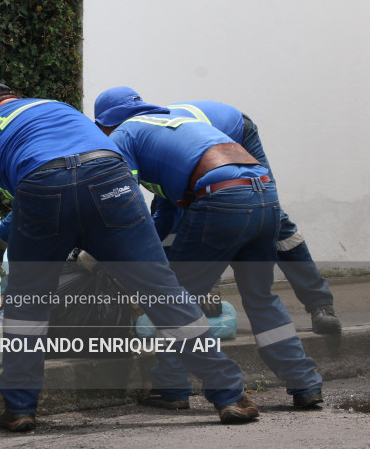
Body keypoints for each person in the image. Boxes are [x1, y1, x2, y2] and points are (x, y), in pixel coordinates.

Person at [0, 82, 264, 431]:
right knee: (163, 291)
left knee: (27, 304)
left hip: (42, 189)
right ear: (18, 98)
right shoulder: (58, 106)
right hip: (112, 179)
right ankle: (230, 396)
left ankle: (19, 409)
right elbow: (83, 168)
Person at [93, 86, 323, 411]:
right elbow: (168, 212)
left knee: (177, 300)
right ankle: (305, 383)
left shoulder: (122, 135)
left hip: (221, 198)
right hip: (264, 195)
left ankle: (171, 388)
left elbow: (128, 204)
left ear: (104, 124)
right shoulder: (175, 120)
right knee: (261, 297)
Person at [151, 100, 340, 334]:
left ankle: (320, 305)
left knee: (274, 217)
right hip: (202, 148)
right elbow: (173, 225)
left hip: (239, 133)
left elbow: (204, 224)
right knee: (186, 217)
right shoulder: (156, 161)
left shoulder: (158, 147)